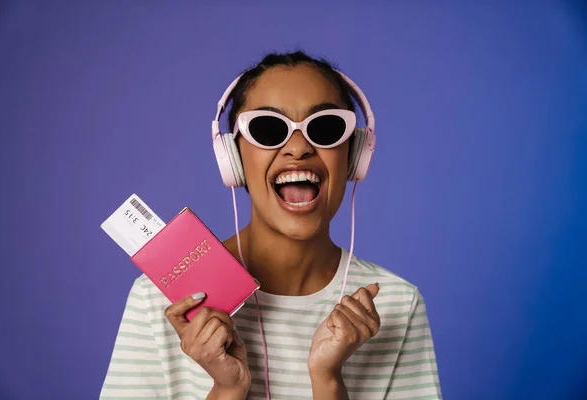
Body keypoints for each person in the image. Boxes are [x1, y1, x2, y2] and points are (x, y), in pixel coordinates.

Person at [99, 50, 442, 400]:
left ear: (354, 155)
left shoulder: (396, 305)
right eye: (268, 129)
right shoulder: (161, 300)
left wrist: (328, 382)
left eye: (325, 128)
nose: (298, 148)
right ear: (233, 159)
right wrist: (227, 390)